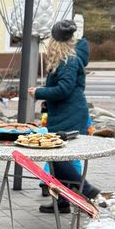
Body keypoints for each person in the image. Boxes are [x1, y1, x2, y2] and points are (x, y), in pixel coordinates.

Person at [27, 20, 99, 213]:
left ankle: (83, 188)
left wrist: (40, 92)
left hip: (70, 114)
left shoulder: (69, 60)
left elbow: (64, 89)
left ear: (56, 41)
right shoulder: (68, 59)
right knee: (56, 158)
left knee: (57, 156)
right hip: (64, 112)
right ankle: (62, 201)